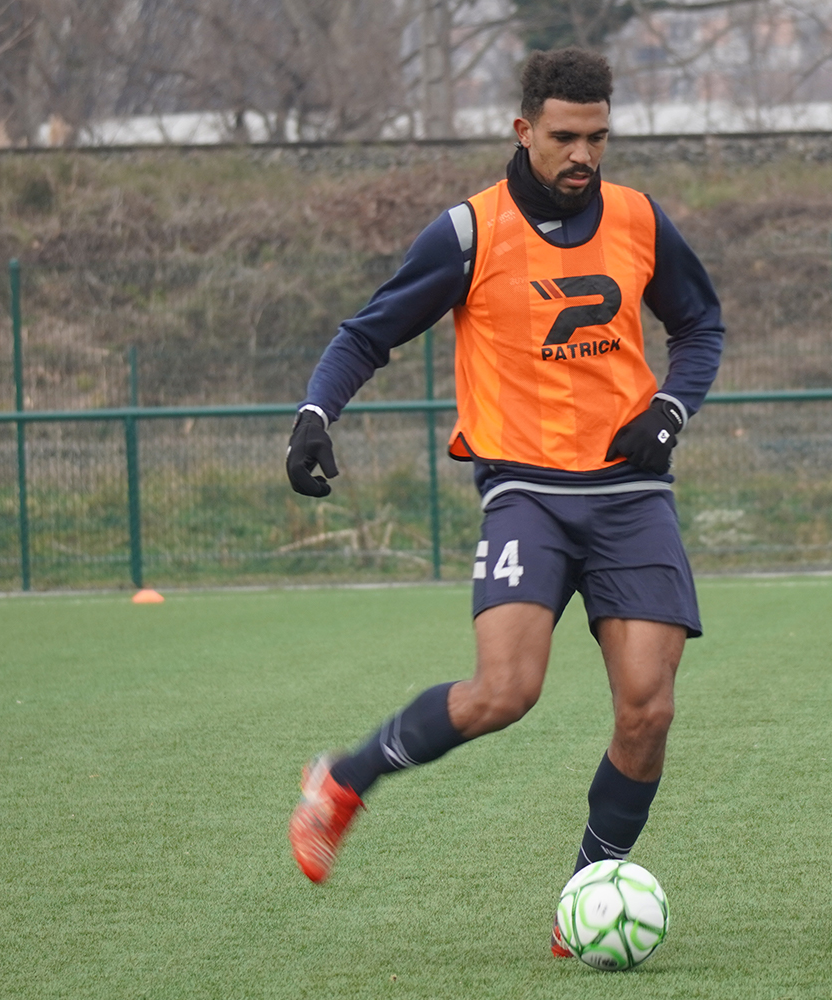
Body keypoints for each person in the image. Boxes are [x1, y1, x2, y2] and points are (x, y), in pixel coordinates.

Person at [284, 47, 724, 955]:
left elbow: (700, 324)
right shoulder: (469, 233)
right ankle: (344, 780)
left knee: (648, 709)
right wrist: (316, 414)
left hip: (631, 494)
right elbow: (366, 335)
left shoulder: (639, 219)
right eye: (565, 137)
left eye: (598, 137)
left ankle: (585, 894)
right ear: (524, 131)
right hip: (527, 492)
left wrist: (672, 409)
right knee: (505, 692)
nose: (583, 154)